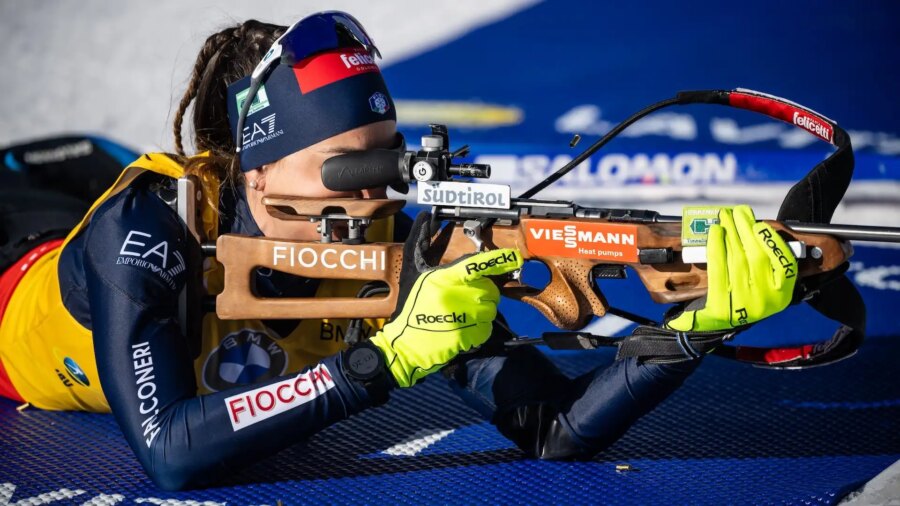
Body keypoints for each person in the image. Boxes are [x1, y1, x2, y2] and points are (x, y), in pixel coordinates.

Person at [0, 12, 797, 490]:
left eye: (391, 156)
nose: (381, 194)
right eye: (348, 167)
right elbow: (171, 453)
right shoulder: (144, 231)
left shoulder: (395, 245)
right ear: (261, 168)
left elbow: (553, 428)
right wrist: (381, 364)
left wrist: (688, 333)